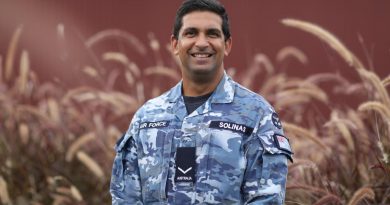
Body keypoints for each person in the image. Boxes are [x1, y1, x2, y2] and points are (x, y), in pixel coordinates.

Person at [110, 0, 293, 204]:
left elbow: (268, 199)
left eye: (212, 34)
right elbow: (124, 197)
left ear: (227, 45)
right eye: (191, 33)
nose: (202, 42)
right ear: (175, 44)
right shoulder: (147, 117)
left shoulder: (257, 115)